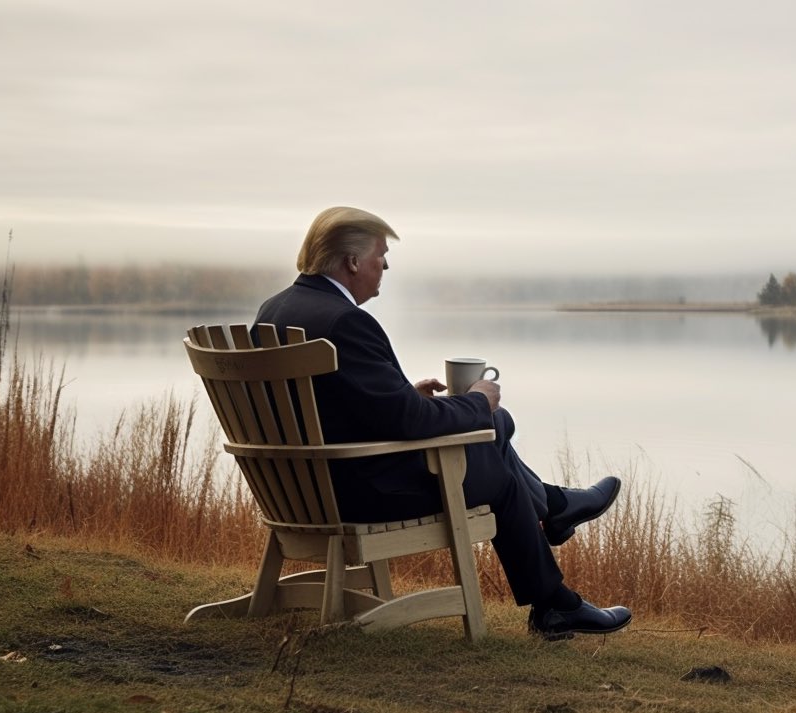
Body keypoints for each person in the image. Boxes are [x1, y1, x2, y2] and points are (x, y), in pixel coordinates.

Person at [254, 205, 629, 640]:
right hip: (359, 493)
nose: (386, 265)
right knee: (498, 468)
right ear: (353, 262)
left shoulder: (275, 309)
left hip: (298, 488)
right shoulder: (346, 322)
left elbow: (326, 404)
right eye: (380, 255)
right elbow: (410, 423)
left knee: (496, 425)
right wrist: (474, 402)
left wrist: (405, 394)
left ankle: (557, 516)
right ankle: (555, 580)